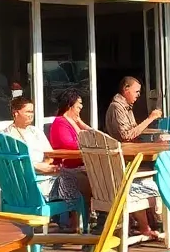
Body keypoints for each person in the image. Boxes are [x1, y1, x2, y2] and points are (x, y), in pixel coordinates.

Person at [51, 88, 162, 240]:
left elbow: (95, 137)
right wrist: (89, 142)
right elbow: (72, 145)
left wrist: (82, 125)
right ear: (70, 105)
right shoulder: (60, 123)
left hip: (88, 167)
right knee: (113, 183)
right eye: (79, 104)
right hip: (73, 169)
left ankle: (137, 226)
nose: (81, 107)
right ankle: (114, 223)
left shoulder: (75, 121)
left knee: (117, 181)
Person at [3, 96, 86, 229]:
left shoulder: (35, 131)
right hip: (29, 184)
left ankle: (72, 224)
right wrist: (38, 168)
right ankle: (76, 226)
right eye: (27, 112)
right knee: (75, 180)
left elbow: (49, 154)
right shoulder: (7, 136)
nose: (31, 115)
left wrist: (47, 166)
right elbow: (14, 165)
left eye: (32, 112)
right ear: (15, 112)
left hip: (43, 175)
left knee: (79, 176)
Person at [104, 76, 162, 143]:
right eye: (136, 91)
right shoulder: (116, 107)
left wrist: (158, 133)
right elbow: (126, 136)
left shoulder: (127, 106)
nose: (138, 95)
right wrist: (150, 119)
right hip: (123, 150)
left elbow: (134, 131)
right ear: (126, 89)